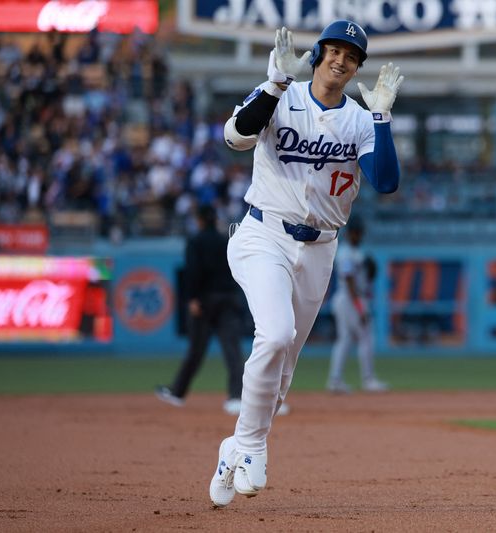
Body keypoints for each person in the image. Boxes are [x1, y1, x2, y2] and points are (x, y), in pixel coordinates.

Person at [209, 20, 403, 508]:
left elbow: (385, 182)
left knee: (282, 375)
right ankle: (252, 445)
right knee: (274, 335)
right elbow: (235, 137)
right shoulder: (283, 94)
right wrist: (274, 83)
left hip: (321, 247)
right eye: (334, 49)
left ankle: (233, 447)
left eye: (352, 55)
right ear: (318, 53)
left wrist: (380, 119)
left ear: (358, 66)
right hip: (264, 233)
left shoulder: (360, 120)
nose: (341, 59)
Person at [155, 204, 245, 415]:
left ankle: (178, 393)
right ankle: (236, 397)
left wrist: (193, 298)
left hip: (204, 301)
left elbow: (193, 272)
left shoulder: (195, 241)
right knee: (233, 350)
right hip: (228, 298)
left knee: (196, 350)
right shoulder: (227, 240)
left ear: (200, 220)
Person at [326, 216, 387, 393]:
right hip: (349, 298)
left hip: (350, 298)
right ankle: (368, 380)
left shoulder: (358, 253)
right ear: (351, 233)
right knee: (366, 337)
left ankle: (335, 380)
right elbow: (349, 280)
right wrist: (360, 307)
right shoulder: (345, 252)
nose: (359, 235)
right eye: (357, 232)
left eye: (360, 232)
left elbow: (364, 278)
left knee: (344, 340)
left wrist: (370, 273)